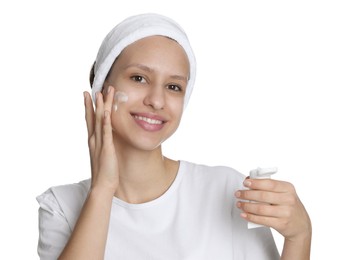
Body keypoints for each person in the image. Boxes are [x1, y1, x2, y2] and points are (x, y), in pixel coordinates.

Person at [36, 13, 312, 260]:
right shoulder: (61, 208)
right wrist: (103, 189)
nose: (157, 100)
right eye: (139, 78)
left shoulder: (227, 190)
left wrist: (300, 236)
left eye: (173, 86)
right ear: (102, 86)